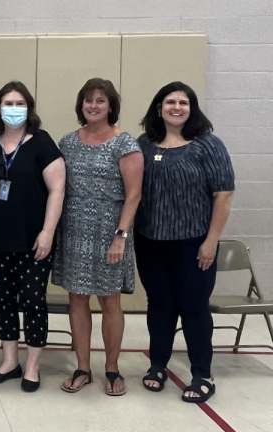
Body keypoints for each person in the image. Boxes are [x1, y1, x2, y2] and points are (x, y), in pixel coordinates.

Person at [136, 82, 234, 403]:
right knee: (160, 306)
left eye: (183, 102)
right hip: (151, 243)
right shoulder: (144, 145)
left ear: (192, 108)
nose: (176, 107)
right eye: (170, 102)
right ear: (159, 107)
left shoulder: (208, 145)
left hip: (195, 245)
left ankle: (202, 374)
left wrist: (212, 241)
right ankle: (158, 366)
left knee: (193, 308)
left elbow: (224, 195)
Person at [53, 78, 143, 396]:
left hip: (110, 232)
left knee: (109, 300)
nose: (93, 105)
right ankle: (82, 367)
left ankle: (112, 369)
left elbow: (134, 196)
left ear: (110, 106)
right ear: (81, 105)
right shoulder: (67, 142)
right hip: (74, 230)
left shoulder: (125, 143)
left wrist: (120, 235)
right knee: (76, 299)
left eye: (100, 101)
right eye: (88, 100)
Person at [0, 81, 66, 393]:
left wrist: (47, 232)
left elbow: (58, 190)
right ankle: (10, 361)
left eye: (19, 103)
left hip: (33, 241)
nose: (13, 109)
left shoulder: (42, 143)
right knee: (2, 301)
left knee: (32, 301)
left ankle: (32, 365)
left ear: (28, 108)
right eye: (7, 103)